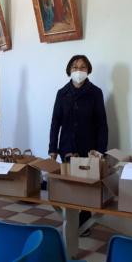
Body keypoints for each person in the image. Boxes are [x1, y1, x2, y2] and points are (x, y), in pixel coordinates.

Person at [48, 55, 108, 235]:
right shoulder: (62, 93)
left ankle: (84, 222)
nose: (78, 71)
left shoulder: (95, 92)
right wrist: (52, 148)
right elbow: (55, 122)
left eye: (82, 67)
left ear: (88, 70)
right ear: (69, 70)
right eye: (75, 67)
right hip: (66, 147)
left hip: (88, 148)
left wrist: (100, 150)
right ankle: (70, 221)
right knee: (69, 185)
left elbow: (101, 124)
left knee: (85, 186)